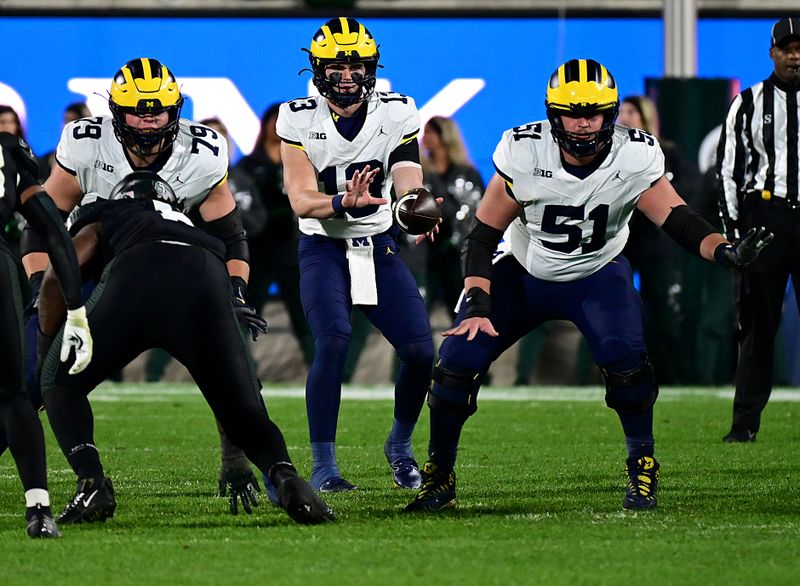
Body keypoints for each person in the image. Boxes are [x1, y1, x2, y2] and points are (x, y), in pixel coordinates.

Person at [404, 58, 772, 513]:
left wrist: (724, 251)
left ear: (611, 113)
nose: (581, 124)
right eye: (571, 112)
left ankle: (642, 465)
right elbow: (481, 236)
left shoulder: (634, 154)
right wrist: (478, 302)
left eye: (592, 113)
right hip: (524, 269)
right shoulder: (525, 150)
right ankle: (439, 474)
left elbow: (678, 219)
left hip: (598, 272)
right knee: (456, 363)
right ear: (552, 114)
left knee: (628, 366)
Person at [19, 57, 267, 508]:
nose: (149, 122)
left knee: (236, 370)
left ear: (176, 110)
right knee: (32, 377)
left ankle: (237, 456)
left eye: (159, 111)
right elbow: (41, 227)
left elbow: (232, 238)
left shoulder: (204, 150)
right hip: (87, 261)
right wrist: (42, 288)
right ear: (116, 112)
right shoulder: (86, 143)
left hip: (172, 267)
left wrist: (234, 292)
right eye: (138, 111)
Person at [36, 171, 333, 525]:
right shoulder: (189, 225)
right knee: (243, 408)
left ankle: (92, 481)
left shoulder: (109, 212)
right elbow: (236, 390)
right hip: (207, 273)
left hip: (139, 269)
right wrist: (233, 457)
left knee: (58, 382)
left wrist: (46, 345)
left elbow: (60, 271)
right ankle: (285, 475)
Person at [278, 17, 438, 492]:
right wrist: (342, 201)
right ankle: (324, 465)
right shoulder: (297, 116)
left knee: (420, 351)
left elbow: (408, 172)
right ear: (316, 69)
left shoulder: (398, 111)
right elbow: (301, 198)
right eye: (336, 66)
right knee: (332, 342)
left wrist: (415, 204)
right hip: (322, 244)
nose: (346, 76)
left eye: (356, 66)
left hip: (378, 241)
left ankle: (400, 445)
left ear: (371, 67)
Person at [0, 132, 93, 537]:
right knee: (11, 393)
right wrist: (74, 307)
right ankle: (38, 509)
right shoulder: (7, 148)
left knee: (12, 393)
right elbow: (53, 229)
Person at [717, 17, 800, 442]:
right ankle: (744, 424)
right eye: (787, 47)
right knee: (757, 325)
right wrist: (734, 235)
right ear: (772, 52)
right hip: (767, 218)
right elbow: (729, 171)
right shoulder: (748, 101)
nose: (795, 55)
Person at [618, 95, 700, 384]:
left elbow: (686, 190)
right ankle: (601, 374)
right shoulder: (610, 153)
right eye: (621, 111)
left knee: (665, 312)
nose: (625, 117)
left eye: (632, 111)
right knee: (612, 307)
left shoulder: (667, 153)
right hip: (622, 243)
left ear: (645, 117)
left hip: (657, 244)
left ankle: (675, 377)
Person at [234, 105, 315, 368]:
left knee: (304, 316)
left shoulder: (301, 163)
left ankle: (321, 368)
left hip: (292, 251)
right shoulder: (249, 165)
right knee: (247, 311)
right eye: (274, 120)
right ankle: (243, 368)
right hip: (259, 251)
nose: (277, 126)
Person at [421, 116, 485, 313]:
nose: (424, 137)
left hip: (458, 254)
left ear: (444, 136)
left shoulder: (467, 173)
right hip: (424, 253)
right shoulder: (417, 172)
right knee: (417, 312)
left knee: (460, 310)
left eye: (430, 132)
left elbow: (482, 210)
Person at [38, 102, 93, 181]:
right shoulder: (46, 160)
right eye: (66, 120)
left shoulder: (95, 159)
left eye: (74, 121)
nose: (68, 125)